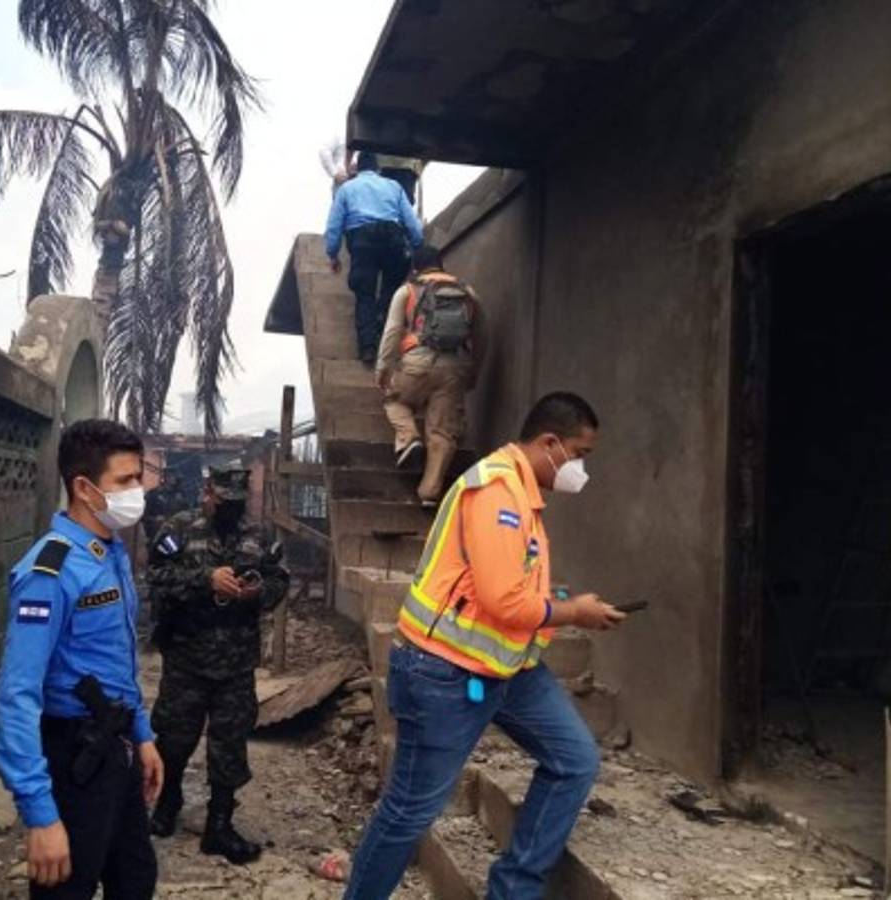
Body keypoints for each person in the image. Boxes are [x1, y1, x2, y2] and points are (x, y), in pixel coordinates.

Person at [343, 393, 629, 900]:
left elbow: (510, 587)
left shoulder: (522, 493)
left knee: (574, 760)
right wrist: (574, 613)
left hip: (507, 668)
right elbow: (504, 601)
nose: (581, 468)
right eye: (579, 454)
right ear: (550, 443)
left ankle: (513, 890)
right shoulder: (497, 492)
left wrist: (567, 603)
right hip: (443, 672)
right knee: (410, 810)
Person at [0, 419, 162, 900]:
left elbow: (116, 664)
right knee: (67, 888)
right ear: (85, 488)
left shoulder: (109, 553)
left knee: (135, 879)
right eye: (125, 481)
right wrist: (41, 816)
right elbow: (16, 695)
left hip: (115, 745)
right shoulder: (50, 571)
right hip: (74, 756)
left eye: (138, 478)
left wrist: (142, 735)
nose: (138, 491)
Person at [147, 466, 290, 863]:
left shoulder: (260, 535)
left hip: (236, 661)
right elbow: (156, 576)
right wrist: (204, 579)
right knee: (174, 737)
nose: (229, 509)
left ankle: (220, 824)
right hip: (186, 657)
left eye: (237, 503)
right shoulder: (179, 528)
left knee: (229, 743)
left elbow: (279, 581)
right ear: (208, 492)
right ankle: (167, 802)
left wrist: (257, 592)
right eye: (223, 500)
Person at [376, 243, 485, 506]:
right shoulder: (468, 293)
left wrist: (383, 369)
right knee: (443, 432)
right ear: (442, 265)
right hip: (455, 367)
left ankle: (409, 438)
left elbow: (392, 333)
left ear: (415, 268)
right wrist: (473, 372)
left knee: (394, 400)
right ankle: (429, 493)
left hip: (416, 364)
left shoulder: (407, 290)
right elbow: (482, 337)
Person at [324, 151, 424, 366]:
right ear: (378, 169)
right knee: (391, 288)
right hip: (393, 239)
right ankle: (383, 321)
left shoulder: (346, 189)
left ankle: (368, 348)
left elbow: (334, 225)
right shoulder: (393, 186)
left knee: (364, 294)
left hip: (362, 242)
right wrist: (417, 247)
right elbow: (412, 223)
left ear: (357, 169)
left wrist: (333, 254)